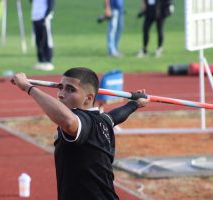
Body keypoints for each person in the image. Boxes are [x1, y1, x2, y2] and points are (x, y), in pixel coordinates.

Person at [11, 67, 148, 200]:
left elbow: (68, 121)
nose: (61, 94)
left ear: (88, 99)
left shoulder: (83, 122)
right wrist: (134, 104)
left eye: (71, 89)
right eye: (61, 87)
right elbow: (115, 116)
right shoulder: (103, 120)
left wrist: (28, 88)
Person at [30, 0, 55, 71]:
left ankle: (48, 60)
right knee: (38, 40)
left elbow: (51, 4)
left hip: (44, 18)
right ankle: (41, 60)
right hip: (35, 17)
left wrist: (47, 15)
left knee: (47, 39)